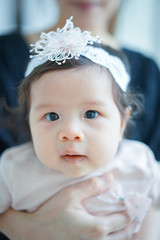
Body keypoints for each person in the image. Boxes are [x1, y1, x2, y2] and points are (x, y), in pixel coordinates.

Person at [0, 1, 159, 239]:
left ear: (123, 123)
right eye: (52, 116)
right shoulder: (14, 169)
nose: (71, 132)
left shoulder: (139, 162)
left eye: (91, 114)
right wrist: (20, 228)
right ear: (28, 120)